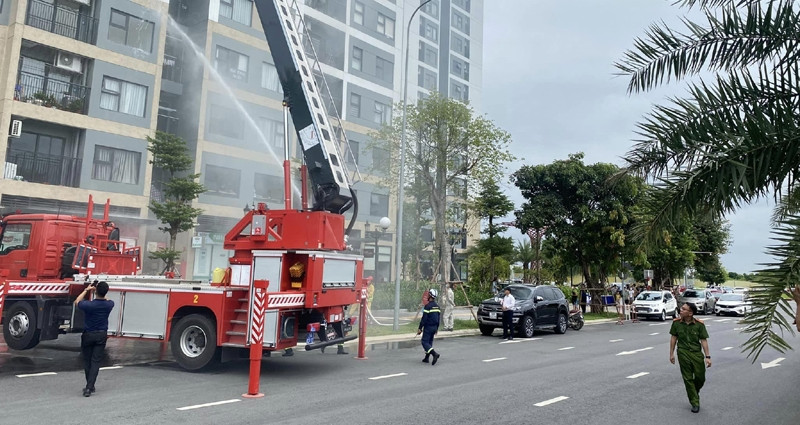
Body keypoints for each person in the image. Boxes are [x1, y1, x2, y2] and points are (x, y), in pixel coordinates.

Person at [74, 281, 115, 397]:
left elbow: (77, 302)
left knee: (87, 361)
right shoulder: (109, 305)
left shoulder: (89, 305)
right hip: (101, 335)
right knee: (96, 361)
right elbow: (106, 299)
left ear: (96, 291)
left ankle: (89, 386)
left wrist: (87, 290)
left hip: (88, 334)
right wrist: (99, 291)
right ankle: (90, 387)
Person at [669, 303, 711, 413]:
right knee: (687, 378)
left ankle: (694, 392)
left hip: (696, 353)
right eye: (681, 308)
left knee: (700, 377)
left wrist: (708, 356)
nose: (680, 310)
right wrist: (671, 354)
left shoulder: (699, 325)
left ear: (690, 313)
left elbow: (703, 341)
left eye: (684, 309)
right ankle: (695, 402)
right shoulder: (676, 323)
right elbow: (673, 338)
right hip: (683, 352)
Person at [416, 288, 441, 365]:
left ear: (430, 295)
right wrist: (437, 328)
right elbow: (438, 318)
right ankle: (426, 358)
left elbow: (424, 318)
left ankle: (434, 354)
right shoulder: (437, 306)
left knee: (424, 342)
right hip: (434, 327)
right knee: (429, 342)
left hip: (428, 327)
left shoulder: (427, 306)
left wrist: (420, 328)